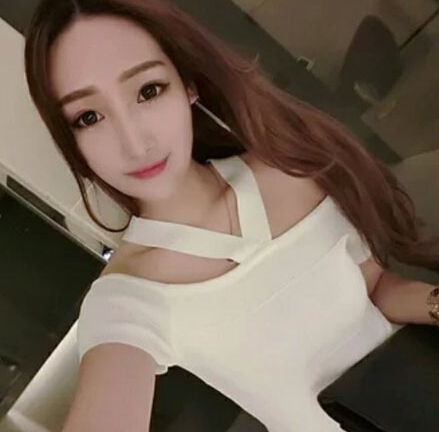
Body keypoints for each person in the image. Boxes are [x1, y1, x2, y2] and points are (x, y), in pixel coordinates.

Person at [23, 0, 439, 431]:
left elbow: (374, 290)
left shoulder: (290, 171)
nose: (134, 143)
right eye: (89, 117)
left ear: (187, 84)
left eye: (148, 91)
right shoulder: (128, 300)